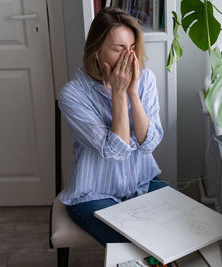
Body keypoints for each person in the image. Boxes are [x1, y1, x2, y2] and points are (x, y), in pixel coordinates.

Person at [57, 7, 168, 247]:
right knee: (135, 243)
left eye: (132, 48)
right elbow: (115, 151)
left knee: (178, 229)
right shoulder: (73, 95)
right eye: (119, 49)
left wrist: (132, 92)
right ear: (96, 50)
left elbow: (149, 142)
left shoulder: (146, 81)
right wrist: (118, 93)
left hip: (142, 184)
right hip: (92, 194)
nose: (129, 56)